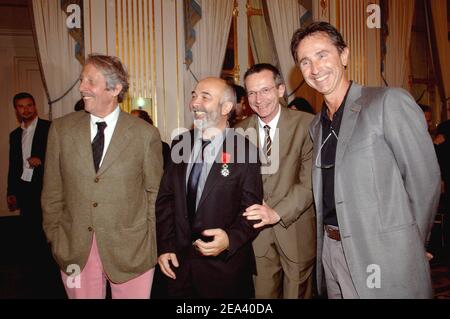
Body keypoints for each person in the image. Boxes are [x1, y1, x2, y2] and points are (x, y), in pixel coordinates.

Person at [291, 21, 441, 298]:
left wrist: (410, 244)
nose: (315, 68)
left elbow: (425, 180)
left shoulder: (387, 102)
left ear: (344, 55)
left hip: (382, 251)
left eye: (323, 55)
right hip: (331, 252)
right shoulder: (316, 126)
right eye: (305, 62)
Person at [41, 54, 164, 299]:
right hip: (74, 248)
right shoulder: (61, 130)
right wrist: (56, 238)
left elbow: (155, 194)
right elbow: (52, 191)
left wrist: (150, 242)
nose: (81, 88)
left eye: (90, 81)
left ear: (115, 88)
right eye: (81, 80)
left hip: (132, 251)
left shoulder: (145, 134)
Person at [156, 77, 263, 298]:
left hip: (224, 272)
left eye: (205, 97)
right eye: (194, 95)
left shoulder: (246, 151)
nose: (195, 103)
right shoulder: (179, 144)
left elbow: (252, 212)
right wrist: (165, 246)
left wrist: (230, 240)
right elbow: (166, 200)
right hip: (179, 268)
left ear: (226, 107)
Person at [236, 63, 316, 299]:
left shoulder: (308, 124)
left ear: (281, 90)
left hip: (296, 231)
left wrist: (277, 213)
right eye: (251, 93)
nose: (258, 99)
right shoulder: (238, 132)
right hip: (256, 236)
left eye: (265, 90)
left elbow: (310, 182)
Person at [7, 92, 52, 295]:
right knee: (29, 231)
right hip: (24, 188)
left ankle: (49, 272)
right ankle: (34, 273)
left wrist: (41, 159)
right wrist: (11, 191)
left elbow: (58, 156)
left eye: (29, 105)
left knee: (46, 230)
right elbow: (13, 165)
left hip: (44, 186)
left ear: (35, 106)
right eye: (21, 107)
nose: (26, 110)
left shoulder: (48, 128)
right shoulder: (15, 135)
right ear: (16, 109)